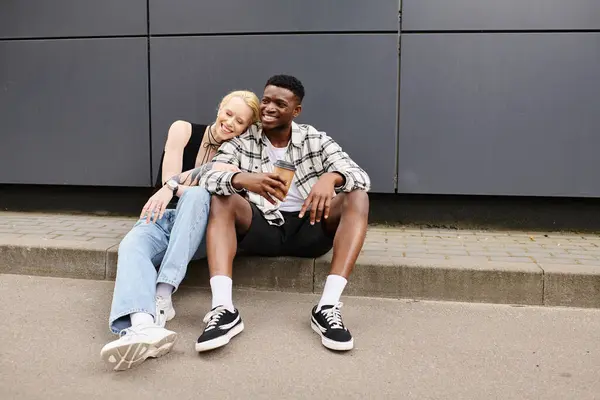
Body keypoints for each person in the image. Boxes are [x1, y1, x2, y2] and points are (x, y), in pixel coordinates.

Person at [182, 75, 370, 352]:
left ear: (296, 111)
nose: (268, 108)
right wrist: (243, 179)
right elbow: (209, 175)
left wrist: (332, 177)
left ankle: (327, 307)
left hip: (310, 226)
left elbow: (361, 176)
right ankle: (223, 310)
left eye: (279, 104)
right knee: (222, 198)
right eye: (266, 100)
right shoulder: (244, 139)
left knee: (358, 196)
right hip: (263, 227)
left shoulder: (314, 139)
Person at [100, 90, 261, 371]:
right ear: (220, 107)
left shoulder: (237, 153)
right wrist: (172, 186)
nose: (230, 122)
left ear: (246, 129)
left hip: (204, 230)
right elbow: (167, 179)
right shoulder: (183, 129)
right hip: (165, 218)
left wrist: (174, 187)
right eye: (228, 113)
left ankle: (163, 294)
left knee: (198, 196)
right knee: (132, 246)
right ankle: (142, 325)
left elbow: (179, 187)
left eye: (240, 121)